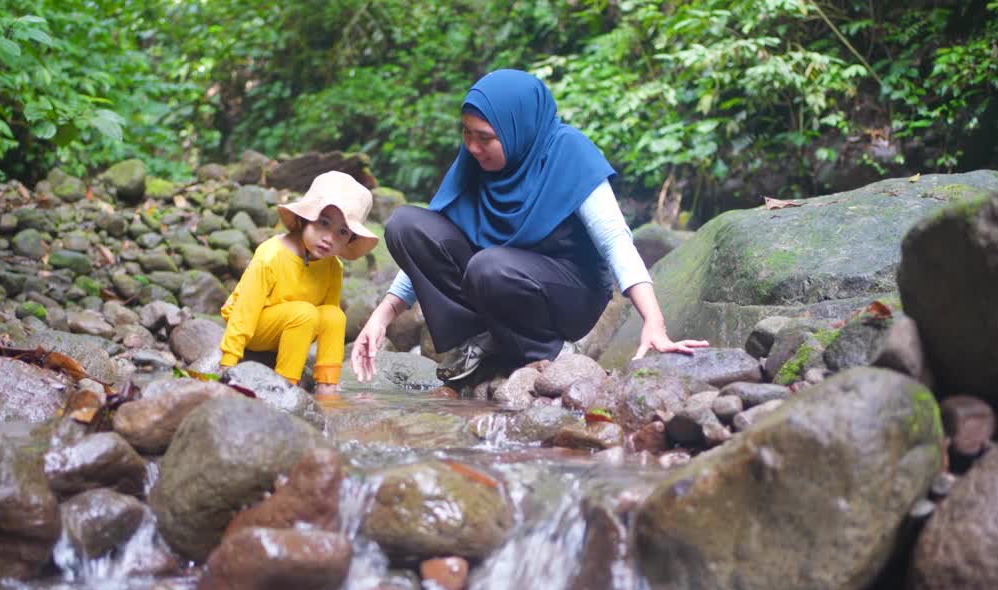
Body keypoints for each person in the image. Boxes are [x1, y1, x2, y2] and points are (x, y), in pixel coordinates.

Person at [350, 69, 707, 384]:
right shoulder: (477, 162)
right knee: (405, 224)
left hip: (568, 290)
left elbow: (615, 239)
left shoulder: (569, 152)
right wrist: (382, 317)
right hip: (494, 277)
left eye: (485, 137)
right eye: (466, 133)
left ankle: (548, 355)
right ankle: (486, 341)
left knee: (487, 266)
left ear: (517, 128)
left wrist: (654, 321)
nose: (473, 147)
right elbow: (434, 242)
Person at [219, 170, 377, 396]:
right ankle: (286, 387)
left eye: (342, 232)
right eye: (323, 223)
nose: (329, 238)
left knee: (335, 315)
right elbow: (245, 312)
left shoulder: (333, 266)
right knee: (305, 312)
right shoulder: (272, 255)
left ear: (350, 239)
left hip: (297, 326)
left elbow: (327, 320)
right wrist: (228, 362)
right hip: (257, 328)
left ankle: (328, 388)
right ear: (305, 218)